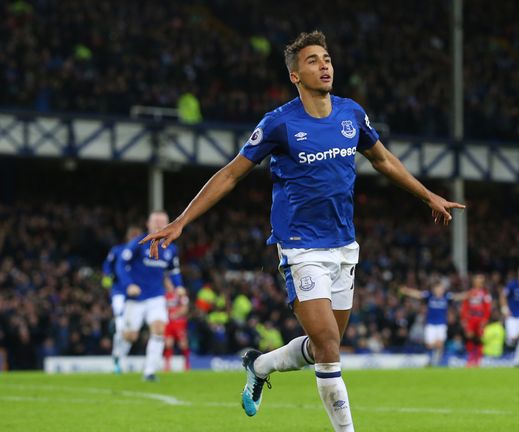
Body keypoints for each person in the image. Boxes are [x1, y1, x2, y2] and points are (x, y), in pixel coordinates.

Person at [140, 31, 464, 431]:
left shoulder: (351, 114)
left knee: (323, 346)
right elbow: (230, 175)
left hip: (344, 246)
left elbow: (383, 160)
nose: (324, 65)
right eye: (313, 60)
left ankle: (259, 365)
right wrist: (181, 221)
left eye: (327, 58)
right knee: (329, 347)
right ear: (296, 75)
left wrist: (427, 194)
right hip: (300, 247)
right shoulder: (279, 123)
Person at [117, 211, 185, 382]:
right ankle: (118, 353)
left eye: (162, 222)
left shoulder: (171, 248)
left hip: (156, 296)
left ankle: (149, 372)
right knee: (131, 336)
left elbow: (173, 270)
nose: (159, 225)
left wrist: (178, 287)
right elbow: (121, 263)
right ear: (148, 224)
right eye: (155, 222)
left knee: (159, 329)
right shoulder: (138, 243)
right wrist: (129, 284)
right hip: (136, 298)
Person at [101, 225, 142, 374]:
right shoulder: (118, 250)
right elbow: (107, 265)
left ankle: (119, 357)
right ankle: (117, 359)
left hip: (137, 296)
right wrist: (107, 277)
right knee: (121, 325)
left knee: (132, 333)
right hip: (119, 292)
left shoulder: (143, 254)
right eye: (133, 235)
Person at [399, 280, 467, 367]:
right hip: (430, 324)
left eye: (441, 289)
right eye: (438, 289)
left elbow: (457, 296)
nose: (440, 290)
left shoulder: (446, 296)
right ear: (434, 289)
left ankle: (436, 361)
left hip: (441, 324)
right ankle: (433, 358)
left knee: (440, 343)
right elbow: (418, 294)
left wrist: (468, 294)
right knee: (429, 345)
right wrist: (407, 291)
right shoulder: (429, 296)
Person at [460, 274, 492, 367]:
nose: (479, 282)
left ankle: (478, 359)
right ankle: (470, 357)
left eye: (481, 281)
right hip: (471, 318)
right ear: (474, 281)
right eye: (477, 280)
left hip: (480, 318)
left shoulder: (485, 294)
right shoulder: (470, 293)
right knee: (469, 336)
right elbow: (465, 306)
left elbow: (487, 308)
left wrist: (485, 319)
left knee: (479, 338)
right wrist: (464, 318)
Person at [164, 284, 190, 371]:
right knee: (168, 344)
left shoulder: (180, 294)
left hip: (179, 323)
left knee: (183, 344)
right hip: (168, 323)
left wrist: (176, 314)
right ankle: (167, 366)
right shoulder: (164, 295)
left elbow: (185, 308)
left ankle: (187, 364)